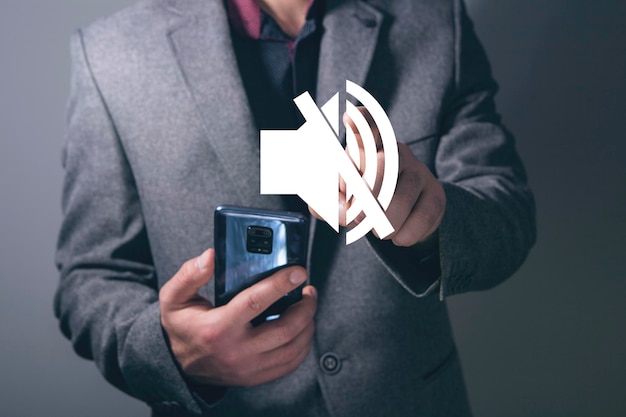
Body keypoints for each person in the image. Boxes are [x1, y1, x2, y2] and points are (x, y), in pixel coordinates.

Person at [54, 0, 536, 415]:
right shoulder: (110, 53)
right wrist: (171, 350)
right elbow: (91, 277)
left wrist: (436, 219)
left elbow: (507, 215)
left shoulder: (434, 20)